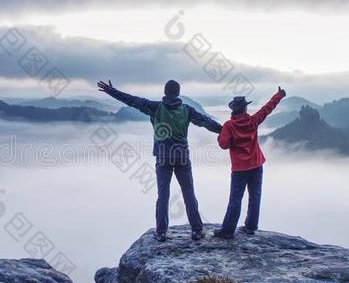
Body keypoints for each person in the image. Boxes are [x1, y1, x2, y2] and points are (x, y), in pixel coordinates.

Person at [97, 79, 222, 242]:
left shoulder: (156, 108)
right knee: (189, 193)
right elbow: (207, 122)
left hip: (163, 157)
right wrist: (226, 130)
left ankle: (161, 232)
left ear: (165, 92)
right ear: (178, 93)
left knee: (163, 194)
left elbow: (132, 100)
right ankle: (197, 230)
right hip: (182, 157)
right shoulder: (187, 110)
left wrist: (111, 91)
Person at [214, 87, 286, 239]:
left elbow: (224, 144)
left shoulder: (229, 126)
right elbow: (267, 109)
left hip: (240, 168)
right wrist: (279, 95)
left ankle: (227, 231)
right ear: (245, 108)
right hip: (256, 164)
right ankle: (251, 227)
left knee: (235, 198)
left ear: (234, 110)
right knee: (255, 195)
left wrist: (220, 136)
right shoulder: (253, 121)